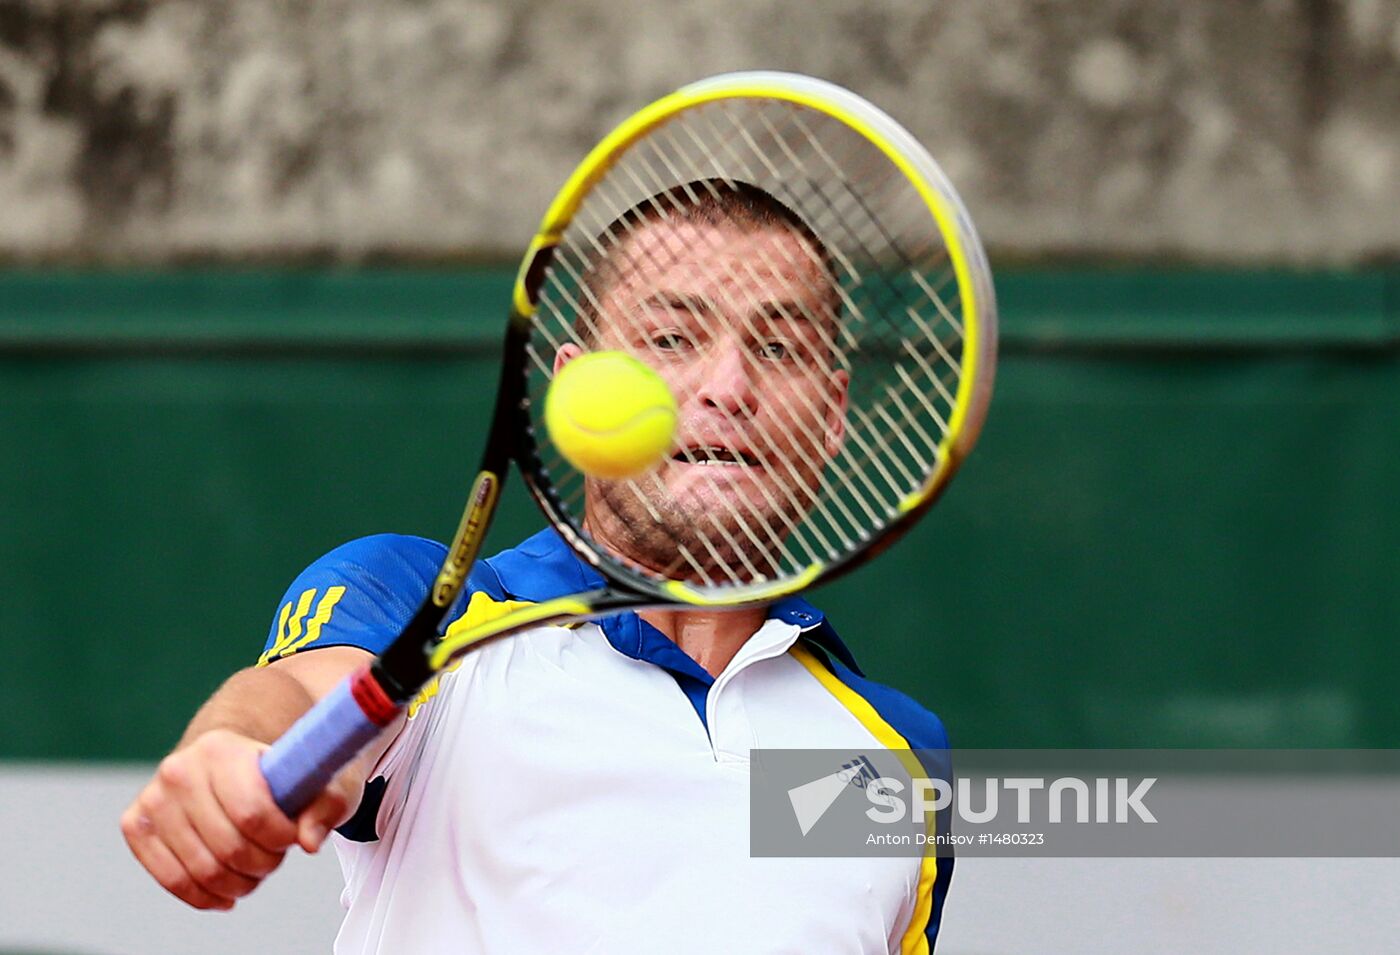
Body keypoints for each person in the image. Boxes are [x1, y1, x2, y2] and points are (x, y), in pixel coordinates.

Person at [122, 181, 954, 953]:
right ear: (577, 387)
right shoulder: (426, 609)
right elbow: (302, 698)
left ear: (834, 411)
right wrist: (233, 750)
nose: (728, 384)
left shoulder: (900, 757)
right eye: (672, 336)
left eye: (778, 347)